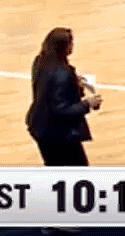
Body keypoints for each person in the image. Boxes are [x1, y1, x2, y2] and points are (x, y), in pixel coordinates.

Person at [27, 27, 99, 164]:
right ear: (63, 47)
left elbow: (47, 88)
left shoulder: (40, 61)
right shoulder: (62, 74)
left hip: (39, 125)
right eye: (70, 43)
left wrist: (75, 85)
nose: (73, 46)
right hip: (58, 135)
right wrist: (87, 104)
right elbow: (61, 110)